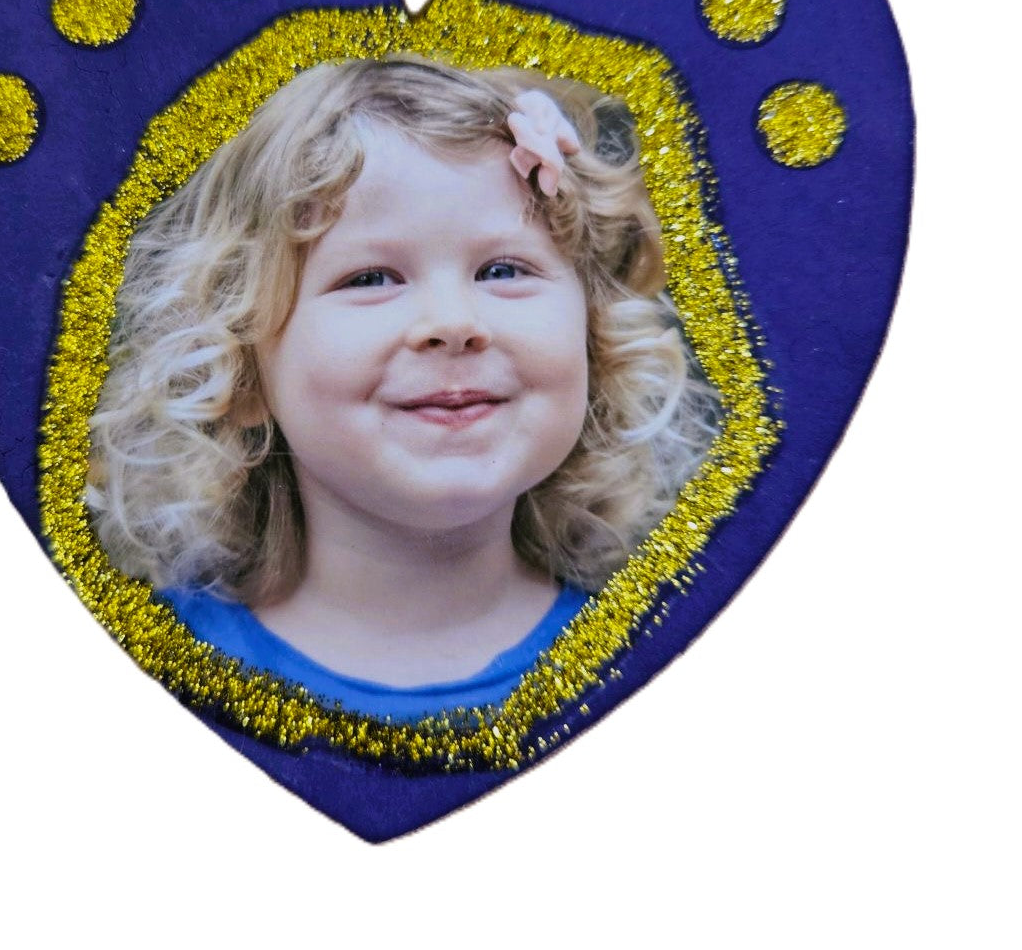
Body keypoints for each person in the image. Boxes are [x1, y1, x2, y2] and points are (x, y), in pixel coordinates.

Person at [87, 56, 716, 718]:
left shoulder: (657, 671)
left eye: (503, 269)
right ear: (242, 371)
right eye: (370, 278)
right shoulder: (151, 679)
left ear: (593, 338)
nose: (452, 322)